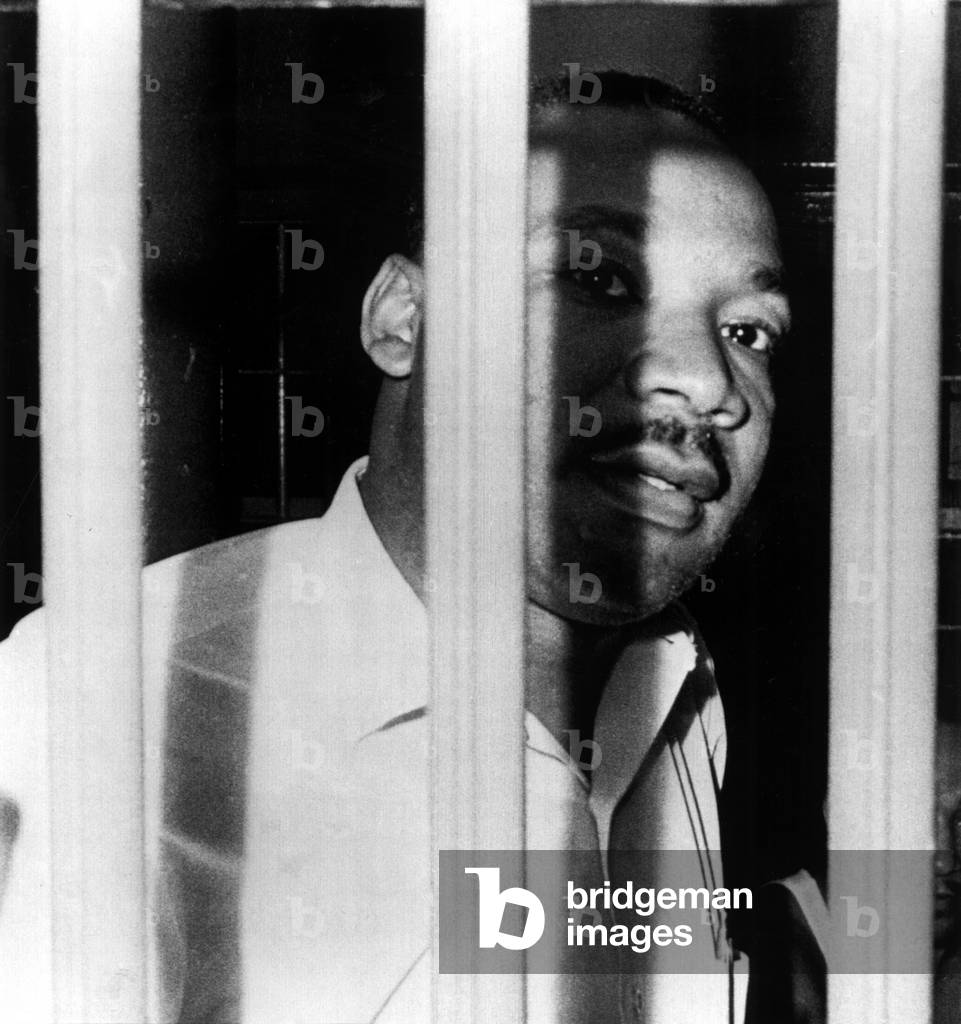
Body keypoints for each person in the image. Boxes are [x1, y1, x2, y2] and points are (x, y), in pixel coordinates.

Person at [0, 71, 804, 1023]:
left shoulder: (680, 685)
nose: (709, 384)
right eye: (597, 278)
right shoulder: (102, 712)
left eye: (748, 329)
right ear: (401, 319)